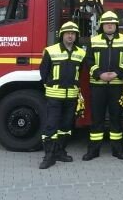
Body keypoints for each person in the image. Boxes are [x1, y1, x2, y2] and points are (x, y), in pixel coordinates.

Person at [38, 21, 89, 169]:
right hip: (54, 96)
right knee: (51, 126)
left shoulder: (81, 53)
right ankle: (48, 156)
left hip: (71, 96)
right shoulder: (50, 50)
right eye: (68, 33)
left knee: (66, 126)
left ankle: (60, 151)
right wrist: (49, 86)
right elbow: (43, 72)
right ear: (62, 35)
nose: (70, 36)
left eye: (73, 34)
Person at [84, 11, 123, 161]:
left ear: (116, 25)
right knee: (97, 118)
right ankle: (93, 150)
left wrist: (117, 73)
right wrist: (100, 74)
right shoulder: (94, 40)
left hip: (117, 85)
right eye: (106, 23)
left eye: (112, 23)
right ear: (102, 25)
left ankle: (117, 150)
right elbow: (89, 61)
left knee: (116, 119)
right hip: (98, 85)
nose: (109, 25)